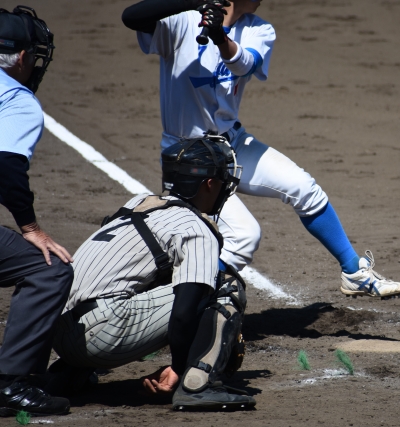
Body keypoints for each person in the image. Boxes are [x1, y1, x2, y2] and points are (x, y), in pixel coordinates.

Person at [121, 0, 400, 299]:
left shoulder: (259, 29)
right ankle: (175, 302)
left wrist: (219, 35)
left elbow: (245, 64)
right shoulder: (181, 22)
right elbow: (131, 16)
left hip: (230, 144)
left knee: (303, 187)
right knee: (244, 236)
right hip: (187, 158)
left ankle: (354, 271)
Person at [51, 136, 255, 411]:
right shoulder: (195, 229)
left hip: (59, 332)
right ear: (209, 184)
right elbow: (184, 315)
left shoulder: (139, 204)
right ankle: (198, 385)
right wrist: (179, 368)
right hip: (101, 336)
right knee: (224, 285)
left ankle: (69, 373)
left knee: (156, 275)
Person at [0, 5, 74, 417]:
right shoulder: (18, 101)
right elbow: (6, 165)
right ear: (24, 58)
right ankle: (12, 383)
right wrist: (30, 227)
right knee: (48, 270)